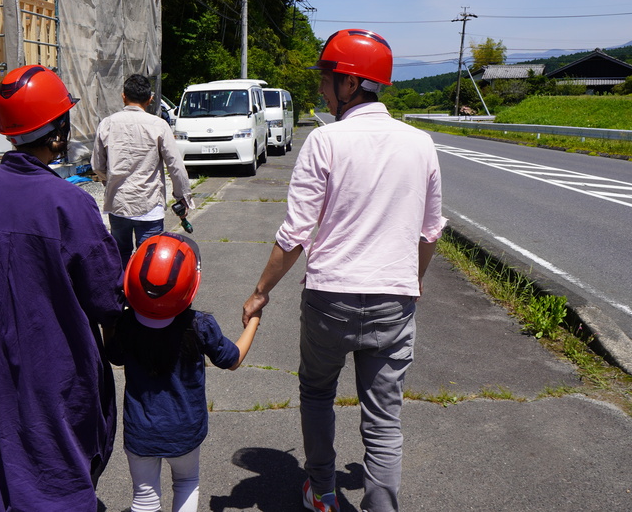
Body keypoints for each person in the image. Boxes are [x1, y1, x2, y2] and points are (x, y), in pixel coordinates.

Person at [242, 29, 447, 512]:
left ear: (351, 84)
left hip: (329, 299)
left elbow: (295, 234)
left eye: (328, 80)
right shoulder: (421, 145)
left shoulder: (325, 142)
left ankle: (323, 492)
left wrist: (260, 292)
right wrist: (411, 281)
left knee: (316, 393)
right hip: (393, 302)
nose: (322, 89)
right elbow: (430, 231)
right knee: (384, 420)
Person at [0, 64, 126, 511]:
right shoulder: (70, 202)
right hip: (56, 356)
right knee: (62, 451)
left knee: (9, 439)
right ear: (56, 134)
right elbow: (107, 292)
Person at [106, 233, 260, 512]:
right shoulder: (199, 325)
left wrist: (110, 320)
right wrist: (254, 322)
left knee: (144, 499)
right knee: (187, 481)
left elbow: (115, 357)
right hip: (185, 429)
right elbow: (232, 359)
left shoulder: (125, 323)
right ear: (190, 285)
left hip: (141, 429)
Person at [92, 73, 194, 262]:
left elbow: (97, 165)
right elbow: (176, 167)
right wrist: (182, 197)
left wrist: (110, 181)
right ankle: (143, 291)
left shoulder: (107, 124)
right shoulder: (159, 125)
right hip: (149, 205)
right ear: (150, 99)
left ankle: (121, 291)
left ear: (123, 96)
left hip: (118, 203)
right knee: (150, 260)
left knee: (120, 256)